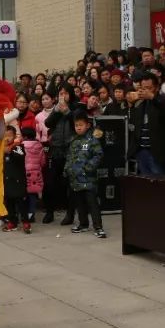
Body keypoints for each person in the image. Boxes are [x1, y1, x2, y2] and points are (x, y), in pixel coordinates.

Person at [66, 110, 105, 238]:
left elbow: (98, 155)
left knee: (92, 203)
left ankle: (98, 227)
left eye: (80, 125)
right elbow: (70, 157)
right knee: (80, 203)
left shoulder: (92, 140)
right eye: (76, 125)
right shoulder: (73, 140)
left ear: (87, 125)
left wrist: (88, 168)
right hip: (75, 179)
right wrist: (67, 169)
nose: (78, 128)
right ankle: (83, 224)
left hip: (88, 179)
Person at [128, 73, 165, 176]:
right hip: (141, 151)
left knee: (159, 184)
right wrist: (131, 104)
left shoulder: (164, 100)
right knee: (145, 184)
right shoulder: (140, 103)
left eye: (148, 88)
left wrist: (152, 97)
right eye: (143, 88)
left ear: (156, 88)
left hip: (157, 152)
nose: (145, 91)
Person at [45, 88, 77, 225]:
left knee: (70, 185)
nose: (63, 96)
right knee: (50, 184)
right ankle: (49, 212)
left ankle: (69, 215)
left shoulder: (76, 108)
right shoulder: (55, 109)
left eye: (66, 93)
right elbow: (48, 123)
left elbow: (78, 124)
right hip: (56, 149)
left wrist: (67, 112)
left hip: (70, 150)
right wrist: (58, 111)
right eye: (60, 94)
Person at [1, 126, 28, 233]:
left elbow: (21, 157)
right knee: (9, 203)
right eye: (5, 136)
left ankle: (25, 221)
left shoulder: (18, 147)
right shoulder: (1, 149)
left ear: (14, 136)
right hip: (7, 182)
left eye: (9, 136)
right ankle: (12, 222)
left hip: (18, 181)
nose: (7, 138)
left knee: (21, 203)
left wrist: (10, 151)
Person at [21, 126, 45, 229]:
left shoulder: (22, 145)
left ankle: (24, 214)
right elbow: (43, 161)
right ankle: (32, 213)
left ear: (24, 136)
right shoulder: (39, 146)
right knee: (33, 194)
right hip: (36, 173)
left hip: (25, 172)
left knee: (24, 194)